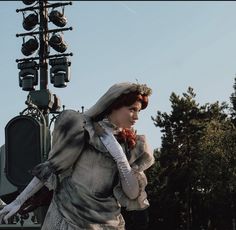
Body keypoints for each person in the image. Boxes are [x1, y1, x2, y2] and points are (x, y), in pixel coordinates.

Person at [0, 82, 154, 229]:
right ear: (114, 105)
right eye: (132, 109)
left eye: (139, 111)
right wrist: (19, 201)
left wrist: (120, 158)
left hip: (107, 222)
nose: (136, 117)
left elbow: (133, 194)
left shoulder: (131, 144)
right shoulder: (84, 130)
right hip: (69, 218)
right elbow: (52, 166)